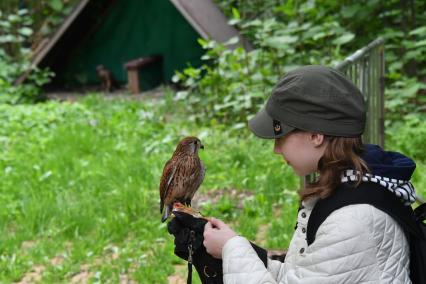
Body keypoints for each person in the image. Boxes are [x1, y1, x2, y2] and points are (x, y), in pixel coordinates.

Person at [201, 65, 416, 283]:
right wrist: (235, 248)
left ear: (315, 135)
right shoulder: (351, 186)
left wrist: (232, 248)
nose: (276, 149)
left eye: (280, 137)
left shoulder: (352, 220)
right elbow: (303, 275)